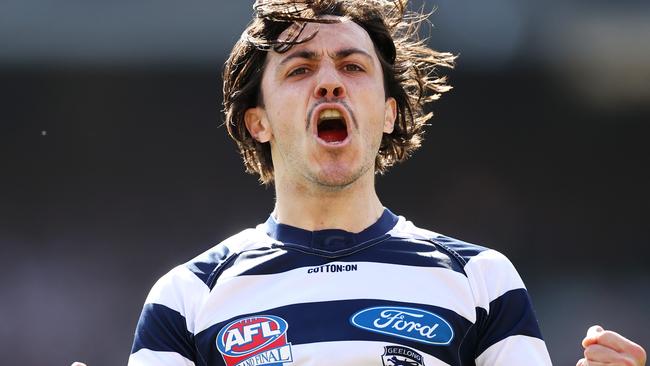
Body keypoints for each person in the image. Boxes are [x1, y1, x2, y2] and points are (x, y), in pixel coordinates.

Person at [74, 1, 647, 365]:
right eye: (299, 69)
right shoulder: (186, 298)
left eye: (352, 66)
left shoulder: (482, 282)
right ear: (260, 119)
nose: (329, 83)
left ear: (389, 111)